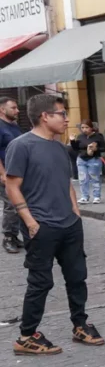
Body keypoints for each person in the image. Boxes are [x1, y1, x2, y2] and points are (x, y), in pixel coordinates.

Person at [5, 94, 104, 354]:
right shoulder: (21, 145)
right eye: (61, 113)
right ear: (45, 116)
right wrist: (29, 220)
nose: (67, 118)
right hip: (41, 225)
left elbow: (65, 183)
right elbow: (12, 185)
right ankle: (27, 336)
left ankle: (80, 325)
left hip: (69, 224)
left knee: (77, 276)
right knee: (41, 282)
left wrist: (75, 212)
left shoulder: (60, 147)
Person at [0, 96, 23, 253]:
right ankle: (8, 237)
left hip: (18, 173)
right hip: (6, 173)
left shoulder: (14, 126)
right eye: (13, 108)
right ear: (2, 109)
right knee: (11, 205)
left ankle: (14, 236)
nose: (17, 110)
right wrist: (2, 174)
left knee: (19, 204)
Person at [70, 122, 105, 204]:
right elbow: (76, 148)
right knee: (83, 179)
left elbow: (104, 148)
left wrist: (96, 149)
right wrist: (72, 141)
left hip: (94, 159)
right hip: (81, 159)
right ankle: (84, 197)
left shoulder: (98, 136)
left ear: (91, 127)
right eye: (82, 128)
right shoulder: (80, 136)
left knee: (95, 178)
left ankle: (97, 196)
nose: (84, 129)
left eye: (86, 127)